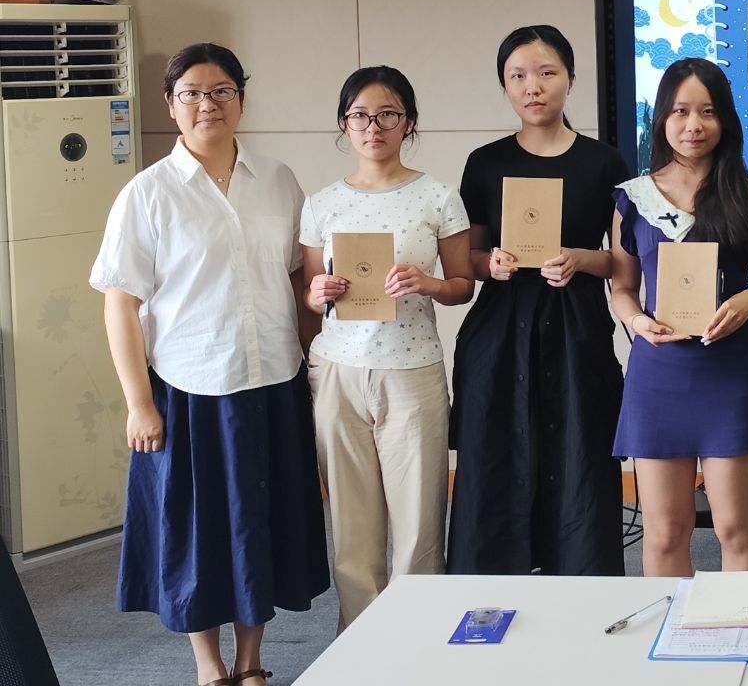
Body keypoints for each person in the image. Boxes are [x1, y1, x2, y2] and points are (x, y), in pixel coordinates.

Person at [91, 43, 328, 686]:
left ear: (241, 101)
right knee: (196, 532)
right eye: (191, 93)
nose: (208, 104)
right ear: (170, 105)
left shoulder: (278, 179)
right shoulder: (146, 194)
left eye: (221, 91)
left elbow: (298, 279)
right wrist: (138, 403)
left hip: (273, 379)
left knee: (260, 524)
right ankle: (208, 665)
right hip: (189, 387)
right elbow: (120, 304)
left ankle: (251, 662)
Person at [447, 26, 631, 575]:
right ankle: (489, 596)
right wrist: (491, 263)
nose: (533, 86)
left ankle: (581, 591)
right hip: (501, 330)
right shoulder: (485, 162)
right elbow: (467, 258)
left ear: (570, 79)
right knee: (496, 458)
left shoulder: (605, 163)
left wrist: (579, 258)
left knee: (580, 457)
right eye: (518, 76)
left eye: (547, 73)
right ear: (505, 86)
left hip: (576, 328)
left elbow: (621, 263)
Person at [300, 66, 473, 629]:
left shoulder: (438, 197)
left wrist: (427, 283)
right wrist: (317, 292)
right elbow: (309, 294)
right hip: (338, 372)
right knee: (351, 524)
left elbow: (463, 286)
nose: (373, 127)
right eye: (360, 116)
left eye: (387, 114)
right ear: (344, 125)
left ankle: (416, 637)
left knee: (420, 521)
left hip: (412, 370)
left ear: (409, 123)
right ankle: (362, 639)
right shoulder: (321, 203)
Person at [609, 57, 748, 577]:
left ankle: (743, 624)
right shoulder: (633, 198)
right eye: (680, 111)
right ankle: (671, 629)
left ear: (725, 119)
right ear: (661, 119)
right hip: (658, 376)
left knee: (736, 529)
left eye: (708, 112)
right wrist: (638, 322)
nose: (694, 125)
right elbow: (622, 288)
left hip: (732, 374)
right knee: (665, 532)